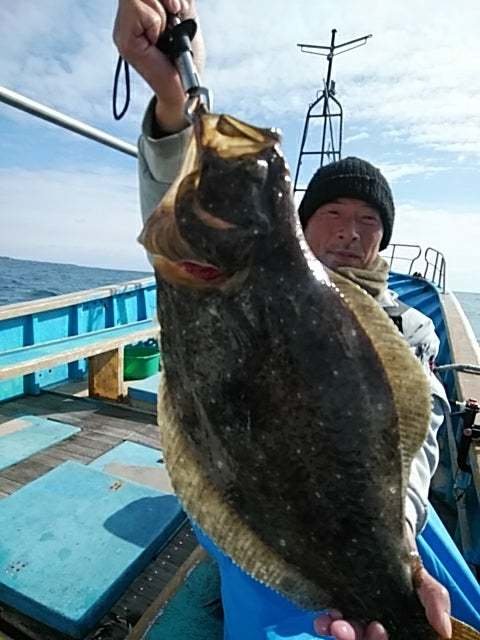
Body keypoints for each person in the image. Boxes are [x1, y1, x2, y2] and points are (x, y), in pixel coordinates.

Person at [113, 2, 480, 638]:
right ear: (299, 226)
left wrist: (396, 542)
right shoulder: (234, 273)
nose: (349, 232)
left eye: (368, 221)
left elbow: (419, 433)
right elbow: (177, 208)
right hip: (255, 495)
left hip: (381, 520)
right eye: (332, 214)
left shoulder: (410, 327)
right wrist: (174, 98)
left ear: (384, 238)